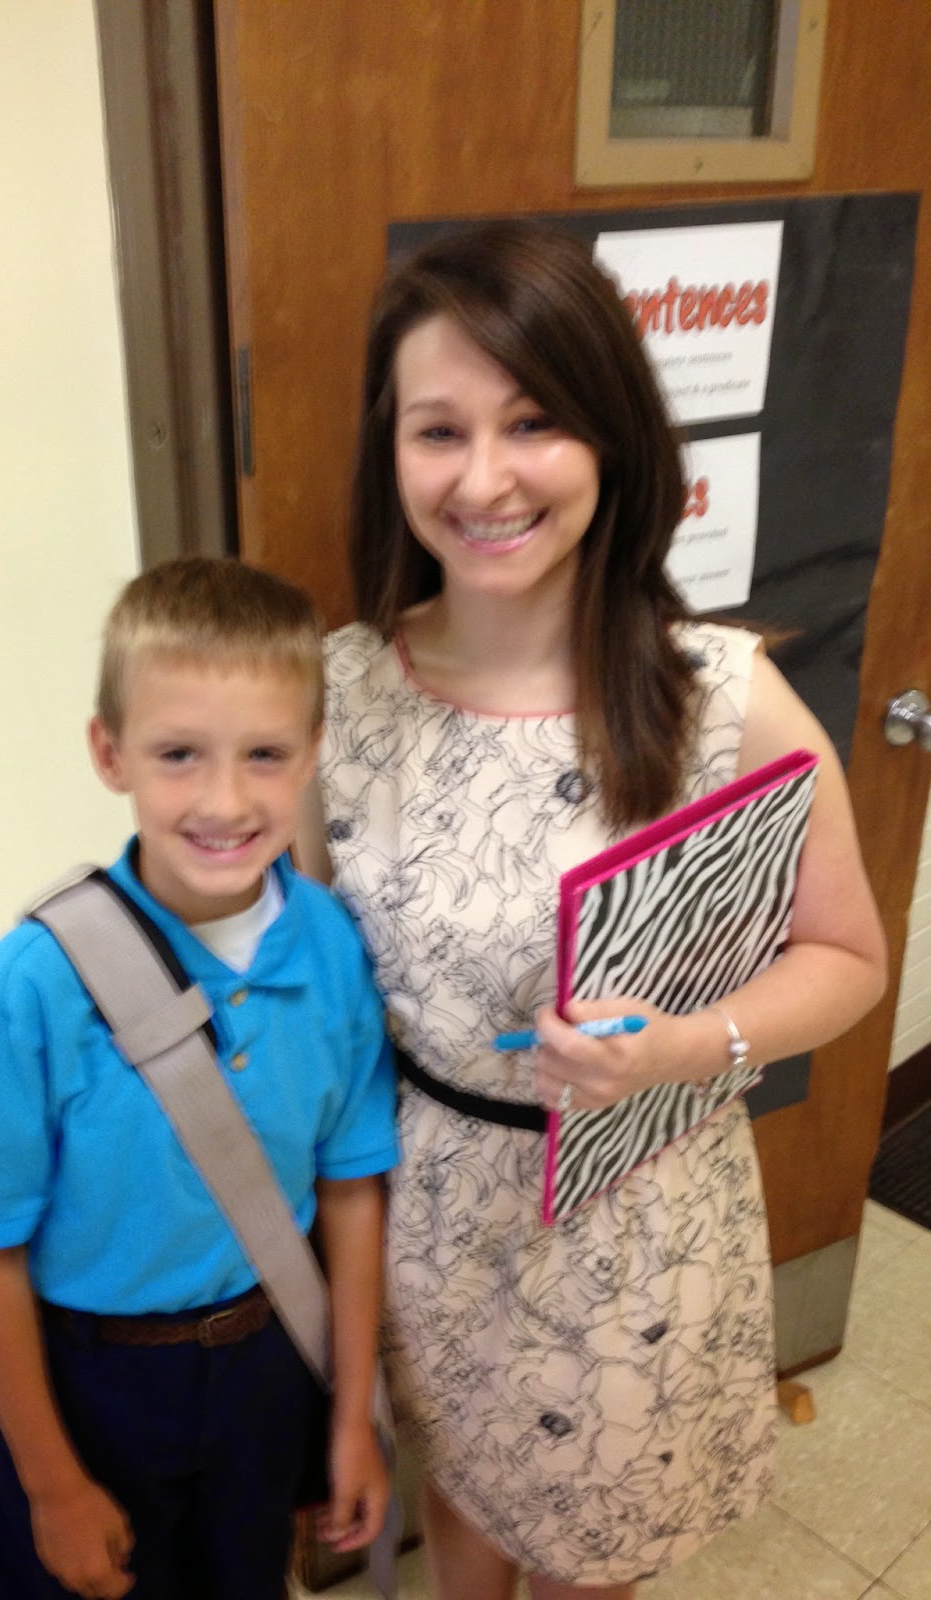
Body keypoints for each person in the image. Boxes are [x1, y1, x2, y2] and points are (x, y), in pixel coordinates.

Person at [297, 222, 887, 1600]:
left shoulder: (719, 698)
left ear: (611, 439)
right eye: (439, 431)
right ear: (392, 451)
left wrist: (685, 1047)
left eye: (534, 423)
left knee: (587, 1559)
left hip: (632, 1222)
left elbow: (848, 953)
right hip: (429, 1209)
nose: (485, 478)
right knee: (461, 1511)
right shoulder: (339, 690)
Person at [0, 556, 398, 1600]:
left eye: (265, 754)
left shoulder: (331, 946)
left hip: (266, 1364)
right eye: (179, 754)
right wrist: (50, 1484)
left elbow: (352, 1187)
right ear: (110, 753)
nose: (225, 800)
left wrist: (351, 1413)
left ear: (313, 751)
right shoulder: (27, 990)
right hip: (93, 1384)